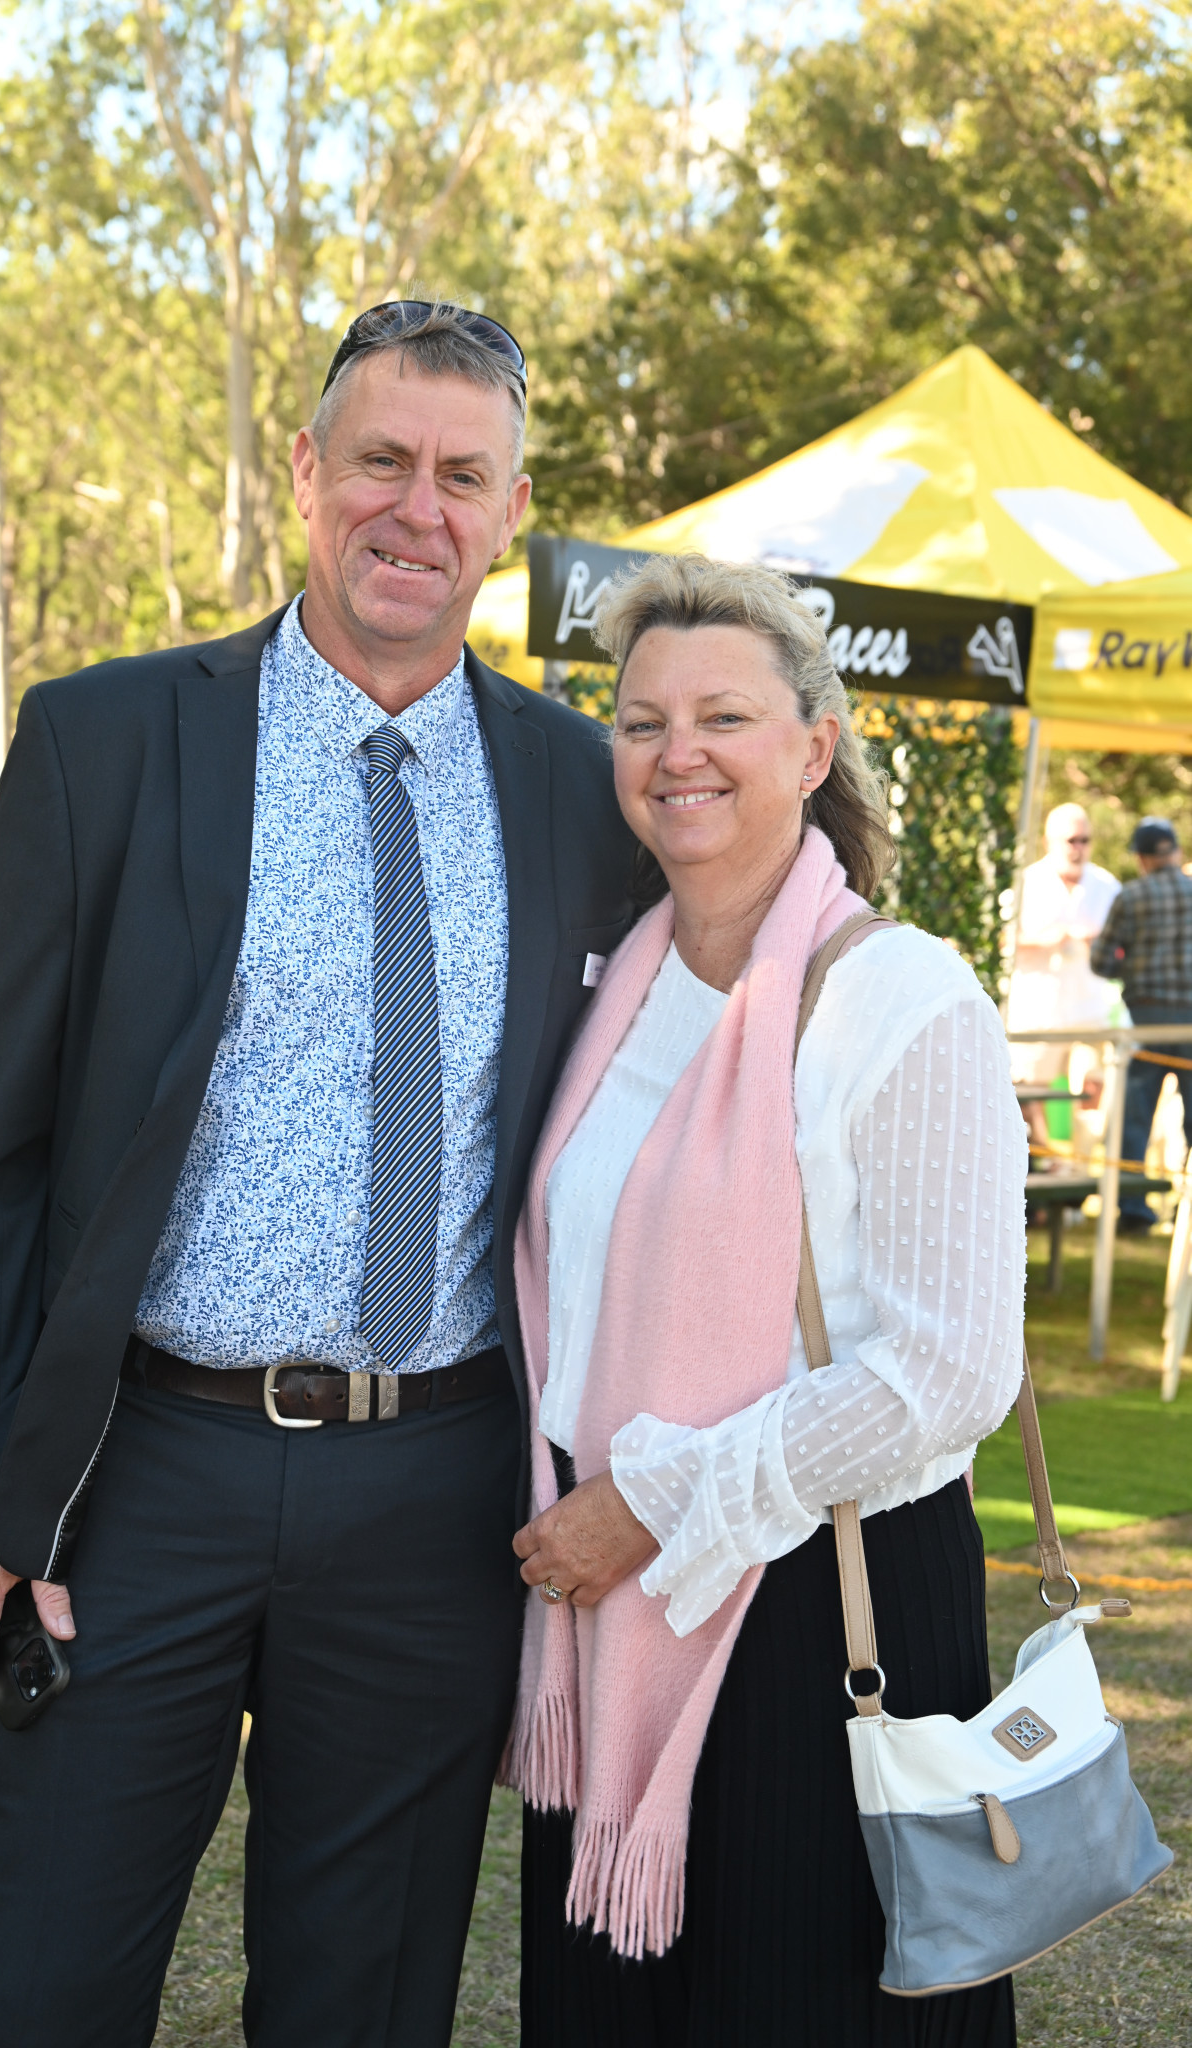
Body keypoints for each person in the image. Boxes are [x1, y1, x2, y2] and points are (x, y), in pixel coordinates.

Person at [0, 301, 639, 2048]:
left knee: (364, 2001)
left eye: (463, 475)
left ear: (511, 507)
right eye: (381, 459)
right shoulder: (106, 740)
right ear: (303, 471)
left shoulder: (574, 782)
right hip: (144, 1469)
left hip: (438, 1493)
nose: (418, 508)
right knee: (46, 1981)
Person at [506, 555, 1027, 2048]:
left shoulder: (906, 997)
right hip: (616, 1602)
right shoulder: (617, 984)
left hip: (825, 1601)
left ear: (812, 746)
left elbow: (945, 1371)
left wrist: (657, 1501)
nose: (678, 752)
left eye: (722, 714)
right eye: (640, 719)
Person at [1091, 815, 1192, 1231]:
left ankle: (1133, 1208)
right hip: (1191, 1023)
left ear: (1142, 858)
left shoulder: (1131, 897)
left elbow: (1100, 959)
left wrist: (1126, 965)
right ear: (1174, 852)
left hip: (1147, 1018)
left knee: (1135, 1117)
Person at [1007, 802, 1120, 1159]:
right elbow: (1002, 941)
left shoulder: (1108, 886)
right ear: (1049, 841)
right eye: (1071, 840)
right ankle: (1045, 1169)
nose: (1078, 848)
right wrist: (1046, 939)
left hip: (1090, 1010)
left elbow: (1125, 949)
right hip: (1038, 1011)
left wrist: (1099, 943)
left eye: (1085, 840)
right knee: (1028, 1098)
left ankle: (1081, 1171)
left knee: (1091, 1094)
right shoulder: (1026, 882)